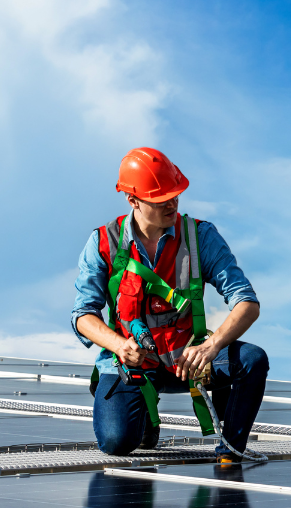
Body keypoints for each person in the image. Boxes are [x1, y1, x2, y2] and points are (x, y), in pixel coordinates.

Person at [71, 147, 267, 463]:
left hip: (189, 360)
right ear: (132, 200)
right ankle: (144, 419)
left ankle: (230, 450)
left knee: (253, 359)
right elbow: (83, 315)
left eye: (175, 195)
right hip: (131, 364)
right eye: (161, 198)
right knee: (116, 441)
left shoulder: (200, 236)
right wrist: (121, 347)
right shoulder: (103, 242)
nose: (172, 203)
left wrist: (211, 346)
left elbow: (247, 301)